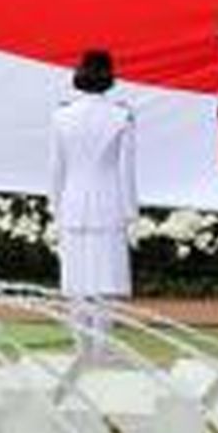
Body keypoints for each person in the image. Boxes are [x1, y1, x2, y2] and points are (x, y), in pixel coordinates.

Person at [50, 50, 137, 359]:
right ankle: (102, 348)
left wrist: (55, 207)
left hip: (72, 201)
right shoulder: (121, 115)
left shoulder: (61, 115)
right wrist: (131, 211)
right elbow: (127, 171)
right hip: (109, 201)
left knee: (76, 281)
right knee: (104, 279)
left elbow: (56, 169)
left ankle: (80, 346)